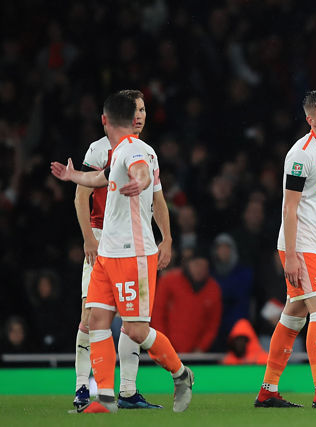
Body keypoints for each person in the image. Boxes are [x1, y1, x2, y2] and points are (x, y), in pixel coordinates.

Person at [51, 92, 194, 413]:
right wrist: (73, 176)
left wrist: (140, 183)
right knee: (98, 319)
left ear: (105, 120)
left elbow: (141, 171)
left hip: (134, 254)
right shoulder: (112, 152)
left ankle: (181, 373)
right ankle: (103, 398)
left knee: (135, 330)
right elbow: (99, 178)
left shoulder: (136, 150)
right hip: (107, 253)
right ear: (131, 118)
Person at [254, 91, 316, 409]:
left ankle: (267, 391)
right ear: (311, 120)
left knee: (295, 315)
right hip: (299, 246)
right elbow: (290, 208)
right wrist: (294, 255)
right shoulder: (300, 155)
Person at [72, 89, 168, 410]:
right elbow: (81, 195)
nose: (139, 116)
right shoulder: (99, 150)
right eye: (135, 110)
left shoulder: (145, 152)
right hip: (102, 240)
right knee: (91, 316)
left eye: (143, 110)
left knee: (132, 320)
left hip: (134, 244)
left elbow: (157, 200)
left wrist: (165, 237)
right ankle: (83, 388)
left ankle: (127, 390)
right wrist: (88, 238)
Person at [152, 249, 222, 353]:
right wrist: (164, 346)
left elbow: (212, 325)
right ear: (188, 264)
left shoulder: (213, 289)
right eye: (197, 264)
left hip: (197, 354)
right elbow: (157, 316)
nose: (200, 270)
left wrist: (201, 348)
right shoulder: (168, 281)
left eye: (204, 266)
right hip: (167, 350)